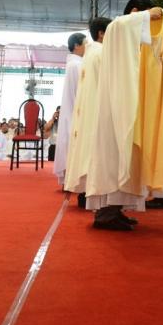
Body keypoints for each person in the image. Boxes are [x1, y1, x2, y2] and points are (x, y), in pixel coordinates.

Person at [81, 0, 163, 231]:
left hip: (127, 106)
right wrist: (146, 16)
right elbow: (120, 27)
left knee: (127, 159)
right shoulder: (117, 30)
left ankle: (115, 210)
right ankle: (106, 213)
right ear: (135, 13)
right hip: (115, 108)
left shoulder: (129, 40)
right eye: (145, 17)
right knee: (114, 157)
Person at [64, 17, 111, 208]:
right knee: (94, 152)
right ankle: (93, 198)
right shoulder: (100, 52)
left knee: (87, 151)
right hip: (96, 110)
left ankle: (86, 194)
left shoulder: (90, 53)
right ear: (101, 33)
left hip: (86, 109)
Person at [53, 33, 86, 188]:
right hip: (77, 110)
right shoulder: (78, 65)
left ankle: (70, 179)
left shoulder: (75, 63)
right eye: (85, 43)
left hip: (72, 109)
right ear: (77, 46)